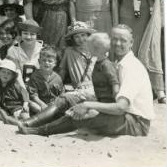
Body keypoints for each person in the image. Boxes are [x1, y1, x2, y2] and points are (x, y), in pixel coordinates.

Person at [18, 25, 154, 137]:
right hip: (122, 115)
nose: (118, 43)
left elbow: (121, 107)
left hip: (135, 122)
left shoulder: (131, 67)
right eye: (115, 39)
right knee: (68, 99)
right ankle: (30, 122)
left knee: (82, 115)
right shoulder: (118, 62)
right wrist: (83, 100)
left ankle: (38, 131)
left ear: (131, 43)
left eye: (123, 40)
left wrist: (88, 105)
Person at [112, 0, 165, 102]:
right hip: (127, 13)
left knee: (149, 48)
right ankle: (127, 88)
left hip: (145, 14)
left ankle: (157, 88)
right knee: (128, 48)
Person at [77, 32, 119, 119]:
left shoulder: (106, 65)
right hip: (99, 99)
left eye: (89, 47)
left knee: (84, 114)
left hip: (107, 102)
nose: (87, 49)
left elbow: (115, 83)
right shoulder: (97, 63)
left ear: (96, 49)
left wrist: (116, 104)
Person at [26, 45, 64, 115]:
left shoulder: (57, 78)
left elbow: (61, 94)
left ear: (55, 63)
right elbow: (34, 96)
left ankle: (51, 116)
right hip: (40, 103)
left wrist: (55, 103)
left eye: (50, 61)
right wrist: (43, 105)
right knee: (33, 105)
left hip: (53, 103)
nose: (46, 63)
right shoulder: (35, 76)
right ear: (39, 61)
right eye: (44, 60)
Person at [0, 59, 29, 124]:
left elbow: (24, 93)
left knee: (23, 115)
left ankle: (14, 121)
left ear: (12, 76)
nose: (6, 74)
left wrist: (25, 104)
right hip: (3, 108)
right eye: (3, 72)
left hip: (15, 107)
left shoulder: (15, 84)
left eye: (9, 73)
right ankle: (9, 119)